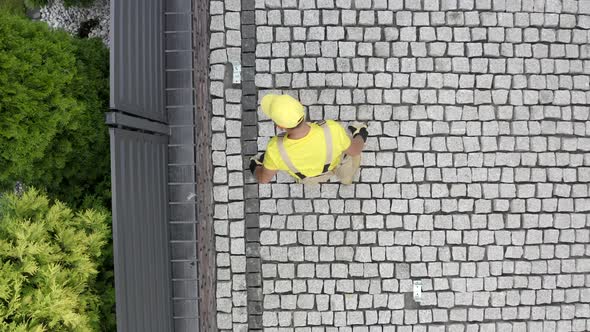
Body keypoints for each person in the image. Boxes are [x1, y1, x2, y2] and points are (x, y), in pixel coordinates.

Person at [249, 94, 368, 185]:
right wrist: (360, 135)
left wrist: (254, 166)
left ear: (280, 126)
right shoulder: (332, 129)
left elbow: (263, 179)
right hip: (333, 167)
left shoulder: (274, 150)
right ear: (301, 107)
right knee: (349, 158)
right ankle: (346, 178)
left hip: (307, 179)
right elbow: (355, 150)